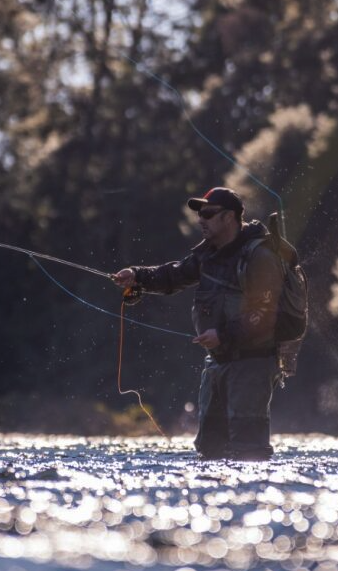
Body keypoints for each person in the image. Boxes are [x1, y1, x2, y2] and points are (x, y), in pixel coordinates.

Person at [113, 187, 284, 460]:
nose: (200, 219)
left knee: (248, 450)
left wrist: (223, 335)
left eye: (207, 214)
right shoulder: (208, 255)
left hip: (252, 364)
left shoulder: (259, 257)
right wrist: (137, 276)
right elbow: (174, 275)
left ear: (229, 218)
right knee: (209, 450)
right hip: (217, 362)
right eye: (198, 214)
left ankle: (255, 501)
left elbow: (266, 315)